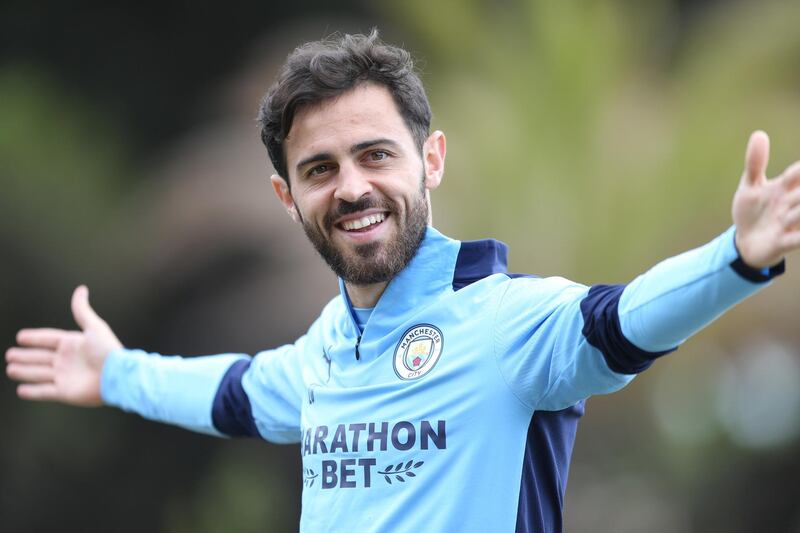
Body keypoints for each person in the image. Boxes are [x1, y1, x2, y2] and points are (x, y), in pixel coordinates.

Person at [5, 30, 800, 532]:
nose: (351, 187)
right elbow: (234, 393)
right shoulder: (324, 352)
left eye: (375, 154)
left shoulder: (507, 320)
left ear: (432, 161)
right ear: (287, 200)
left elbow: (620, 320)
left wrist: (733, 257)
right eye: (320, 169)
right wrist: (116, 373)